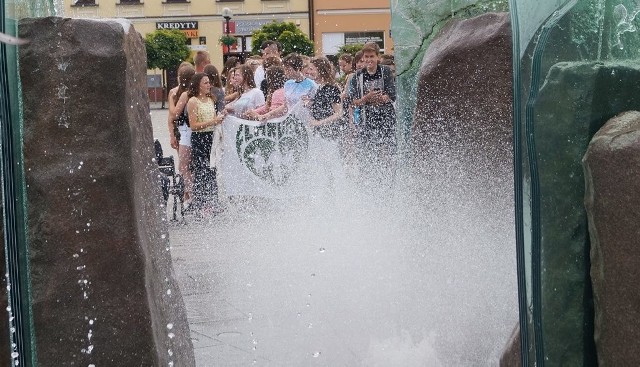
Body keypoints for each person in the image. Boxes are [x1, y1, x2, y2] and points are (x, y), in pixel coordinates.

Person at [347, 42, 397, 185]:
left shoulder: (385, 71)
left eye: (372, 57)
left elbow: (392, 94)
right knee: (367, 152)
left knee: (387, 151)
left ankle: (388, 180)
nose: (369, 60)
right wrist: (366, 98)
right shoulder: (358, 76)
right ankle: (368, 182)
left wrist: (382, 98)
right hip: (367, 119)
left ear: (378, 57)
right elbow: (353, 100)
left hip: (386, 118)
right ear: (363, 58)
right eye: (366, 57)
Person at [187, 73, 226, 213]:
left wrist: (220, 118)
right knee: (201, 170)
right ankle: (200, 204)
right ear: (198, 85)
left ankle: (213, 202)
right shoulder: (193, 101)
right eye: (205, 83)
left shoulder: (210, 99)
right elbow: (193, 125)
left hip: (211, 137)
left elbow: (214, 118)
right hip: (199, 138)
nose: (209, 85)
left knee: (211, 169)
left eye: (209, 82)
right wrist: (213, 122)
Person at [167, 63, 196, 203]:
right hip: (189, 131)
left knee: (183, 165)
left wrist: (171, 101)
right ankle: (188, 192)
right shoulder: (195, 92)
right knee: (189, 164)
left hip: (185, 131)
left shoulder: (183, 93)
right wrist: (172, 134)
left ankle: (189, 194)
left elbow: (173, 114)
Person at [307, 57, 344, 140]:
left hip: (332, 134)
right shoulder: (321, 87)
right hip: (321, 134)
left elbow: (339, 113)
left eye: (311, 69)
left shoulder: (332, 87)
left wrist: (318, 123)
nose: (309, 72)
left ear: (320, 70)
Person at [203, 64, 226, 171]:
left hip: (207, 124)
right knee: (215, 153)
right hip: (216, 124)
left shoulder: (207, 91)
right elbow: (221, 108)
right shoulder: (219, 90)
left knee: (206, 157)